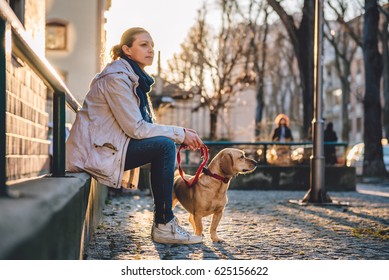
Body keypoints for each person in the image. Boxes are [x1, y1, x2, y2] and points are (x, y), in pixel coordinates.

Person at [66, 27, 203, 245]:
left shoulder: (133, 80)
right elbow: (137, 129)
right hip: (93, 152)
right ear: (127, 50)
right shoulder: (116, 79)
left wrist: (178, 134)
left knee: (163, 145)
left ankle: (164, 224)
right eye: (143, 45)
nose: (150, 50)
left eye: (152, 46)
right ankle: (164, 224)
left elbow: (141, 129)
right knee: (164, 146)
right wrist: (180, 133)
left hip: (107, 147)